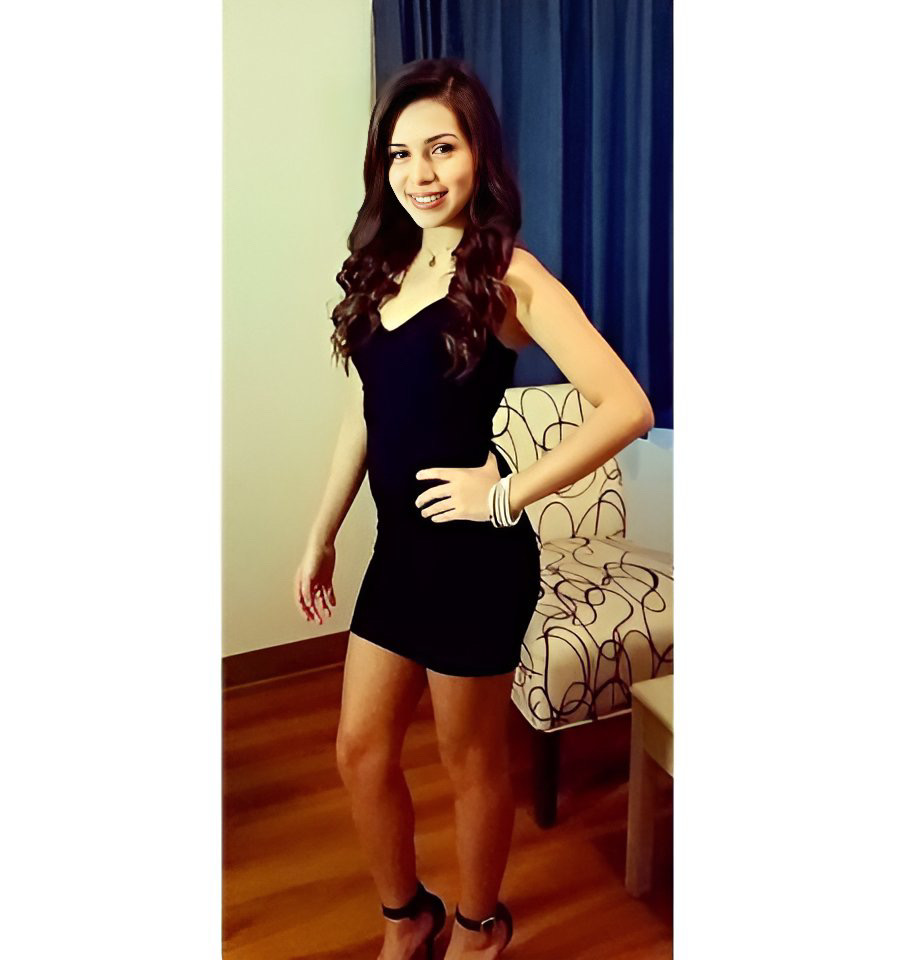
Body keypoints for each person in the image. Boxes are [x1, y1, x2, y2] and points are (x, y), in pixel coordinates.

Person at [294, 58, 654, 960]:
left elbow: (626, 405)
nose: (419, 173)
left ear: (478, 154)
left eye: (442, 148)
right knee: (359, 749)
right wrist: (322, 533)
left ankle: (479, 929)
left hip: (475, 560)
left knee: (470, 761)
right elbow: (364, 413)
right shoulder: (384, 270)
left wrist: (503, 494)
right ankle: (405, 916)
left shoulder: (507, 275)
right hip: (400, 554)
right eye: (400, 153)